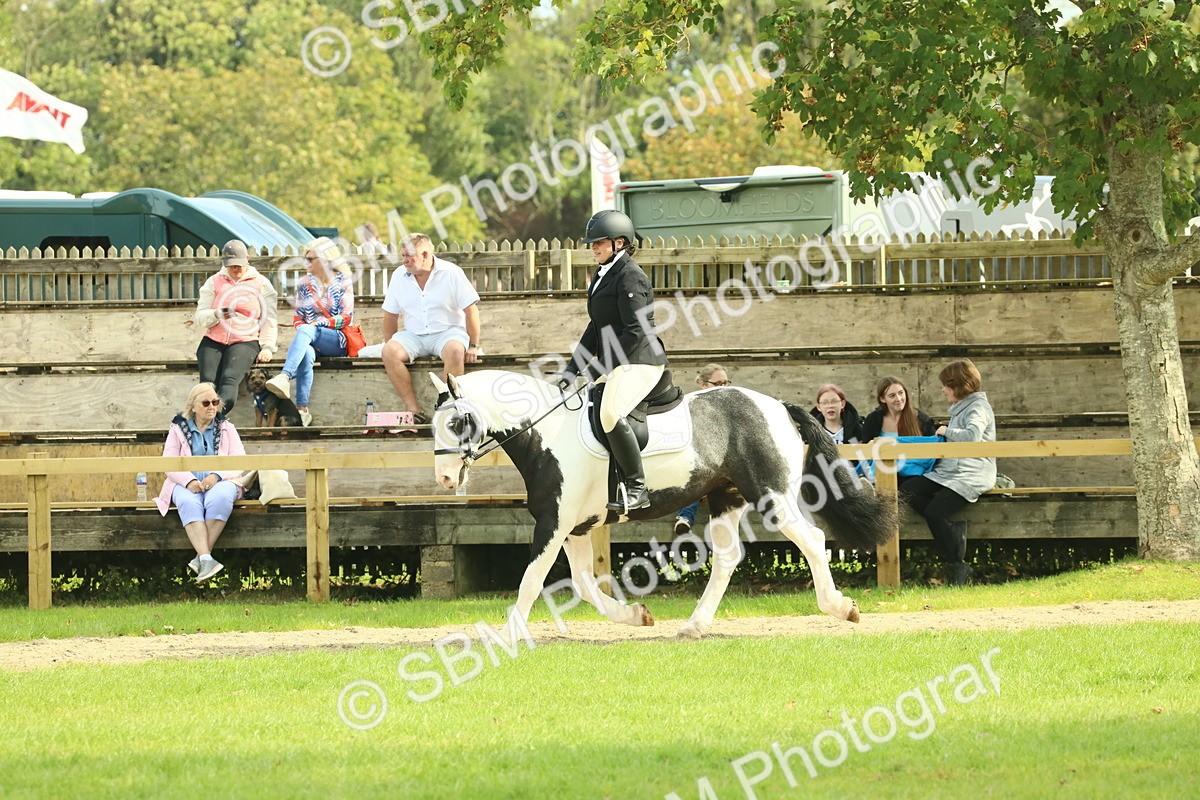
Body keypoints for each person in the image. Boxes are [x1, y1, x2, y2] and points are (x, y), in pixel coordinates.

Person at [557, 209, 668, 512]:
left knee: (610, 414)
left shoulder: (631, 275)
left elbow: (635, 331)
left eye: (599, 243)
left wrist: (600, 366)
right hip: (620, 360)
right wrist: (572, 368)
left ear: (620, 243)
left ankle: (636, 488)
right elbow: (597, 327)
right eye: (592, 244)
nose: (593, 248)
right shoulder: (602, 274)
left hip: (641, 360)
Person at [902, 359, 996, 586]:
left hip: (971, 472)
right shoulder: (962, 407)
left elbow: (972, 436)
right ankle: (954, 533)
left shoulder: (977, 407)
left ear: (958, 385)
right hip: (949, 471)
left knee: (935, 512)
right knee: (907, 490)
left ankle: (957, 566)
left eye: (946, 384)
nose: (943, 389)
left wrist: (946, 430)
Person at [381, 233, 481, 423]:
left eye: (408, 256)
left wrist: (474, 345)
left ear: (425, 255)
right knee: (389, 351)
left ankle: (450, 409)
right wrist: (389, 341)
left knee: (454, 350)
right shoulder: (398, 276)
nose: (404, 261)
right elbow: (390, 315)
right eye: (402, 256)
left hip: (448, 332)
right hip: (414, 335)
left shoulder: (451, 273)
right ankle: (414, 410)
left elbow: (471, 311)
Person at [153, 382, 247, 582]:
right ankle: (206, 558)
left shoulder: (227, 427)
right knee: (188, 502)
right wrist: (189, 481)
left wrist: (216, 476)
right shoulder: (177, 429)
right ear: (193, 407)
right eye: (206, 403)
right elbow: (168, 463)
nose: (212, 406)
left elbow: (240, 460)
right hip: (185, 482)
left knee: (221, 496)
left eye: (215, 402)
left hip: (221, 481)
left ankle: (203, 557)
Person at [264, 238, 354, 427]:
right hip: (310, 339)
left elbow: (346, 317)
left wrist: (317, 325)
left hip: (336, 339)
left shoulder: (343, 280)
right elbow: (297, 317)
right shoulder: (304, 284)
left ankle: (285, 376)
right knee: (305, 352)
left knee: (307, 329)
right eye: (305, 259)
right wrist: (304, 329)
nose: (306, 263)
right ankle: (302, 410)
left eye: (310, 259)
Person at [194, 239, 279, 414]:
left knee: (229, 379)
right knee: (207, 383)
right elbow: (200, 317)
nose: (235, 269)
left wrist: (268, 347)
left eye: (239, 265)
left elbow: (269, 319)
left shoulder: (261, 284)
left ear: (247, 259)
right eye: (231, 266)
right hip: (214, 338)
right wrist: (217, 314)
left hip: (245, 340)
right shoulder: (214, 281)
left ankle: (212, 419)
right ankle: (202, 422)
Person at [672, 364, 730, 536]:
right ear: (703, 384)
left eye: (726, 383)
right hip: (704, 461)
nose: (724, 388)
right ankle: (685, 518)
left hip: (729, 461)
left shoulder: (733, 406)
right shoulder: (692, 406)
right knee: (699, 476)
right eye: (718, 383)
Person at [861, 375, 937, 440]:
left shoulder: (922, 420)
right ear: (882, 399)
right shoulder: (873, 420)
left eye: (901, 393)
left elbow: (935, 449)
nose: (898, 399)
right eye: (892, 396)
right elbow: (863, 449)